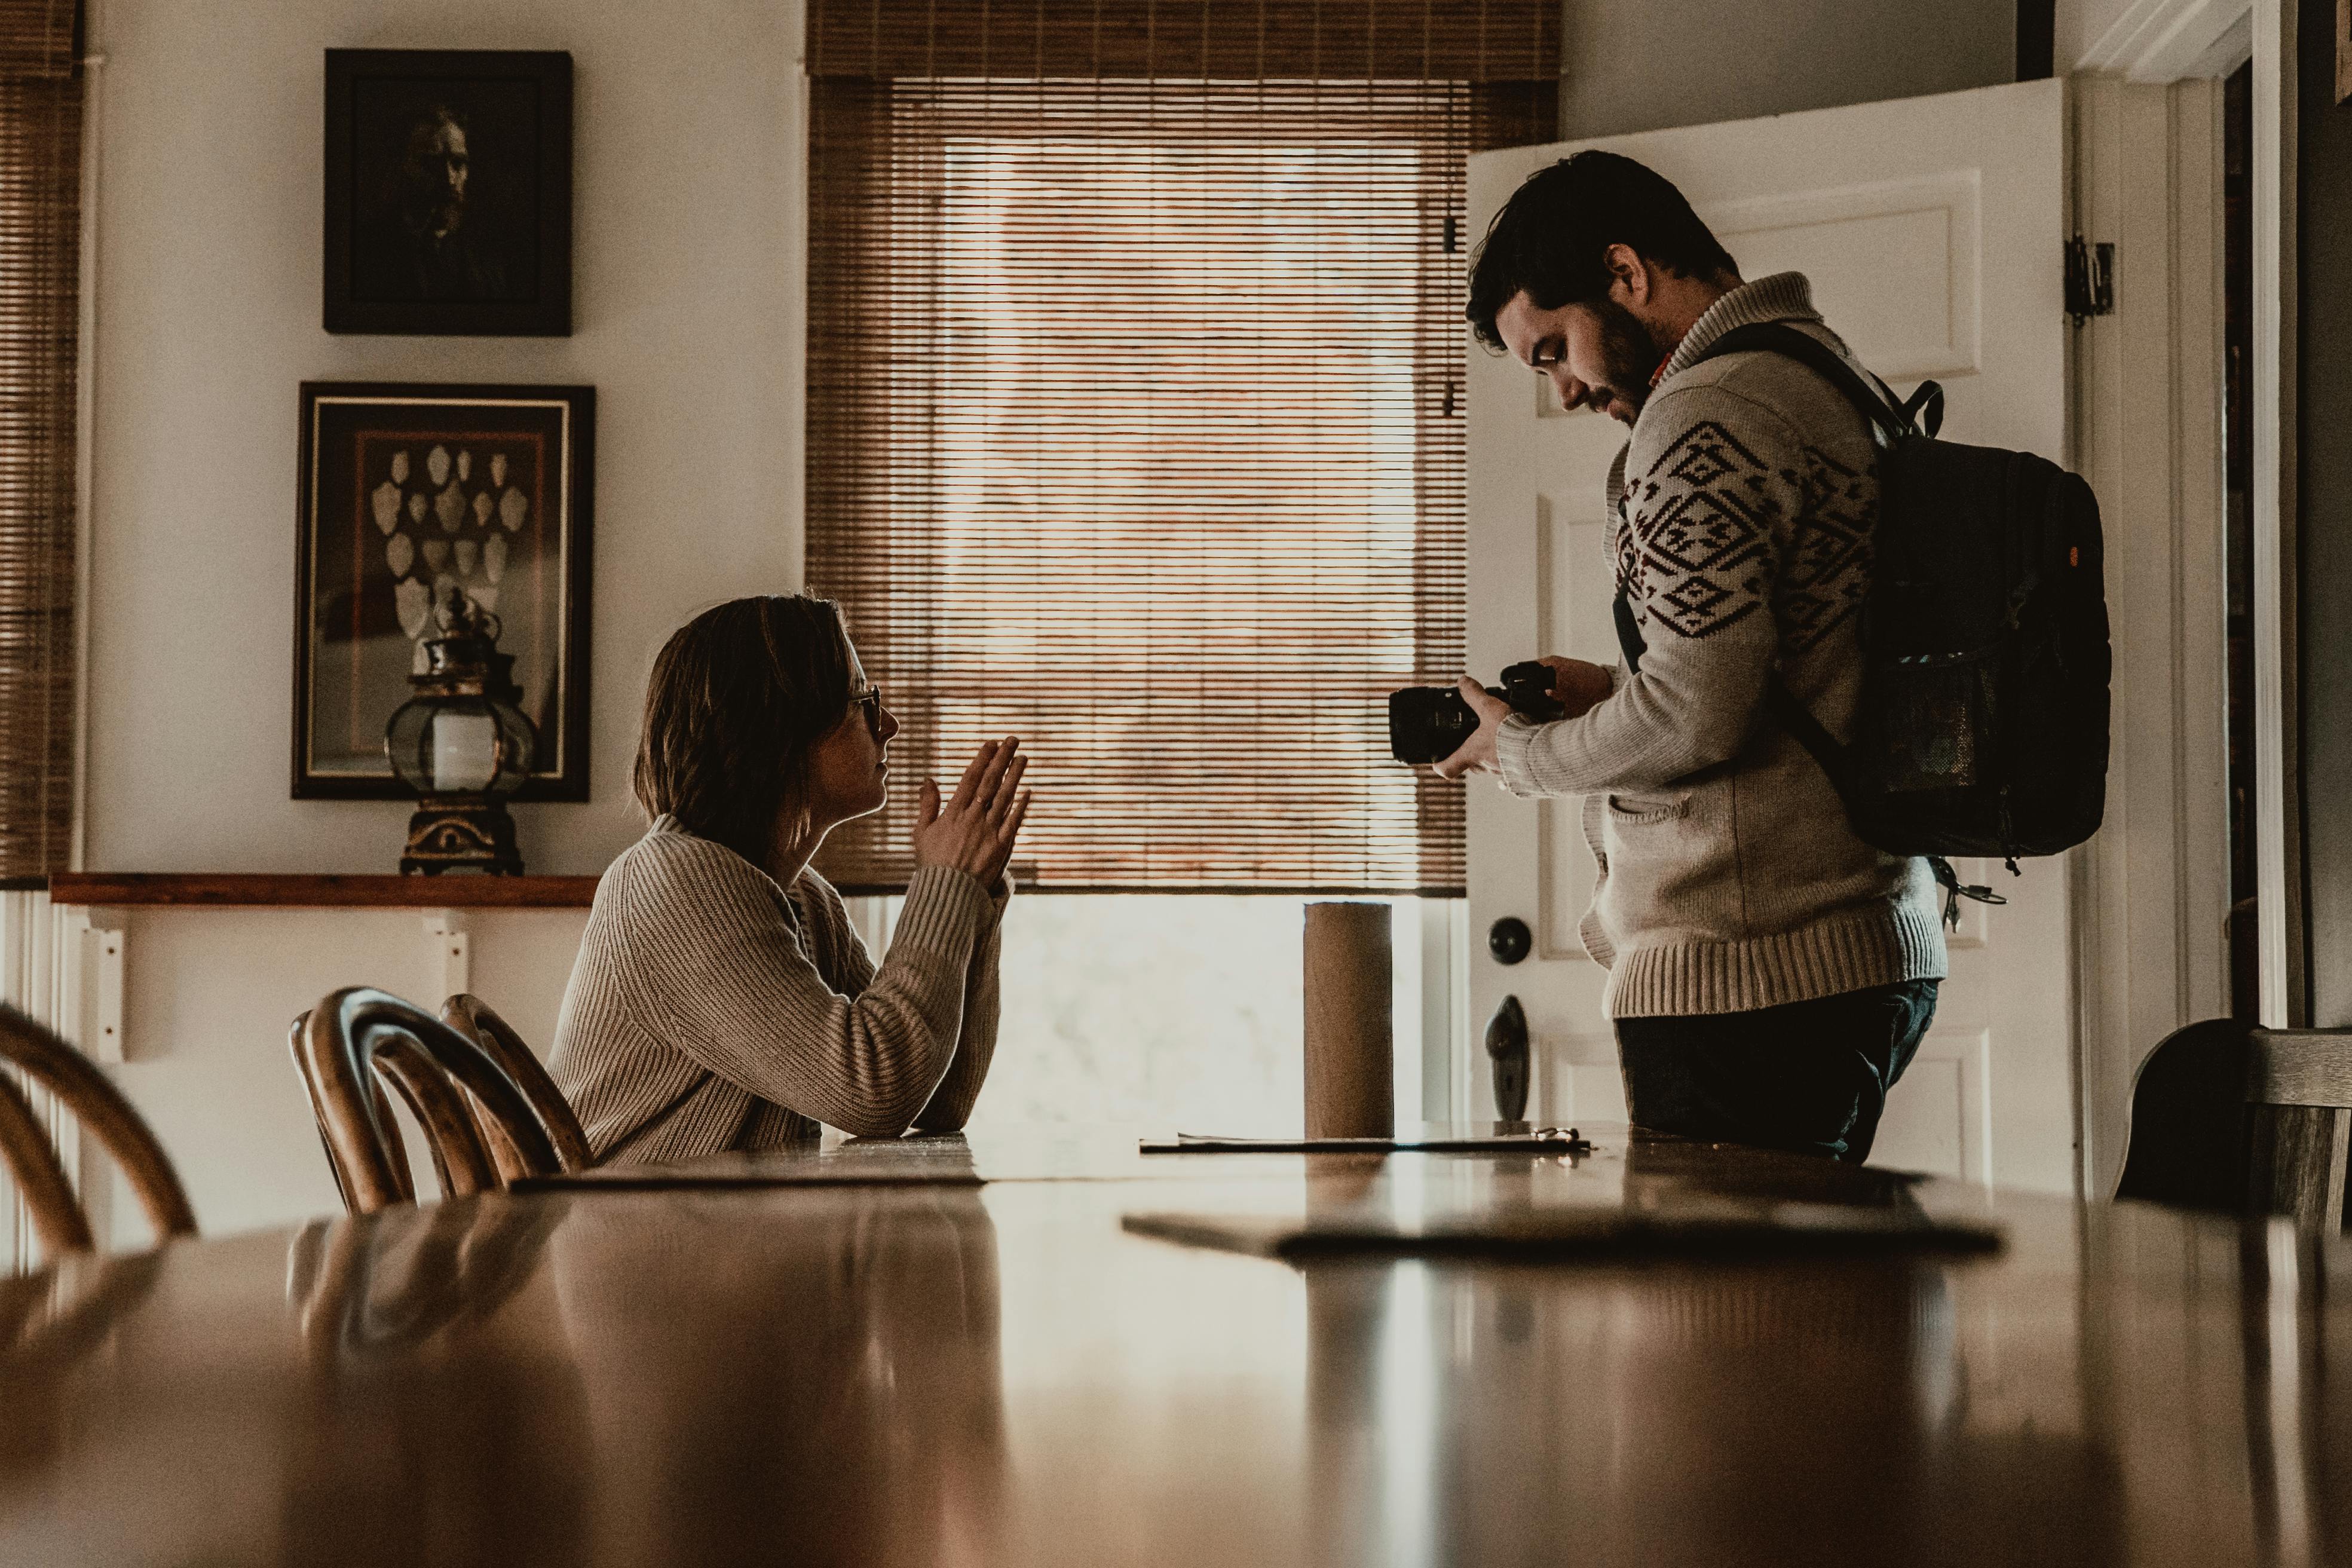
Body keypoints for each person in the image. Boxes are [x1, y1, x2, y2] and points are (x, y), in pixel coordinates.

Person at [1444, 151, 1944, 1163]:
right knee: (1805, 1312)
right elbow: (1791, 662)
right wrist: (1616, 690)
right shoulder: (1822, 372)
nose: (1566, 388)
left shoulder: (1707, 414)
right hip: (1855, 937)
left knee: (1717, 1320)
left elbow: (1694, 716)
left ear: (1624, 273)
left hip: (1750, 975)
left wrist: (1520, 753)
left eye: (1553, 349)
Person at [549, 595, 1030, 1163]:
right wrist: (946, 882)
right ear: (776, 724)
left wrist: (972, 895)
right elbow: (874, 1088)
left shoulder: (804, 898)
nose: (890, 725)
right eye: (863, 701)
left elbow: (937, 1100)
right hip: (627, 1241)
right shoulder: (672, 883)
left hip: (708, 1232)